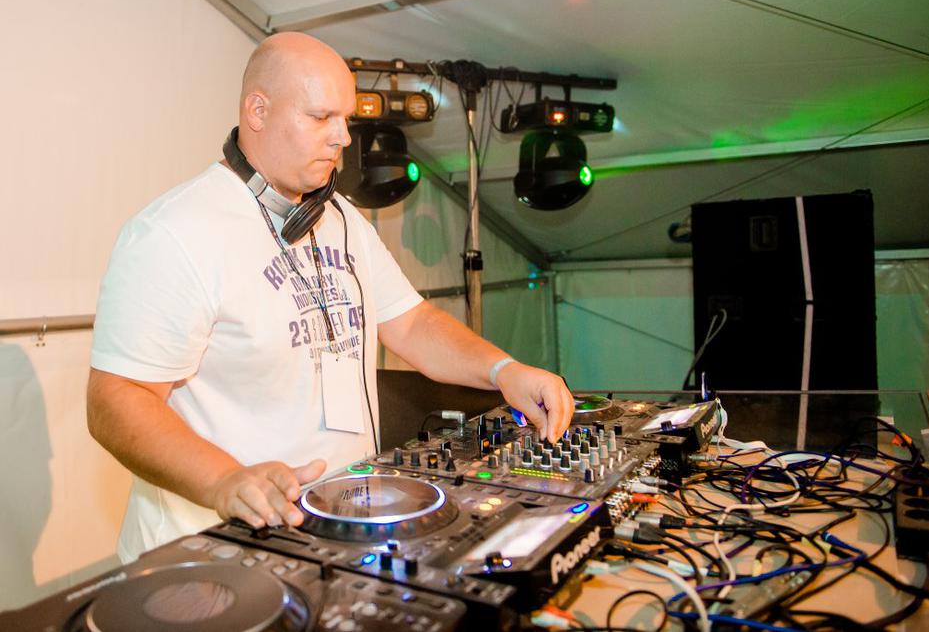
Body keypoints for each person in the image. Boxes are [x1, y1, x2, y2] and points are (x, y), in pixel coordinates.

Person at [87, 32, 574, 563]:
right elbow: (116, 399)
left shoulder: (341, 219)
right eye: (321, 117)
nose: (342, 137)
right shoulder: (175, 232)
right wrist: (224, 479)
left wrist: (503, 371)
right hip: (210, 552)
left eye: (345, 119)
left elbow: (412, 324)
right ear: (257, 111)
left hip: (332, 538)